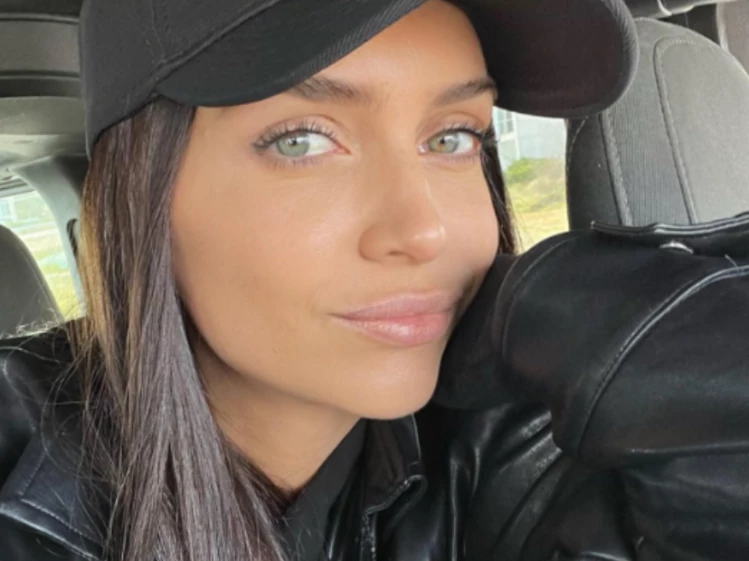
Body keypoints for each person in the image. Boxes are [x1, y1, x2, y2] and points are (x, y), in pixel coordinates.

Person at [1, 0, 748, 560]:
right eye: (301, 141)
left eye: (451, 137)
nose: (423, 231)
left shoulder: (516, 446)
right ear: (141, 202)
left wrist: (695, 381)